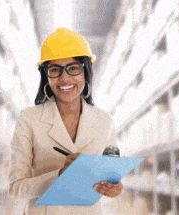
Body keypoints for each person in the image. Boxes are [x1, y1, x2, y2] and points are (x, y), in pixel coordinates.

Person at [9, 28, 129, 215]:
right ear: (46, 75)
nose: (64, 78)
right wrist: (59, 175)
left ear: (85, 71)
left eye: (73, 68)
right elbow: (16, 187)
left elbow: (110, 177)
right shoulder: (29, 119)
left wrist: (115, 189)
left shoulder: (104, 122)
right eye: (55, 70)